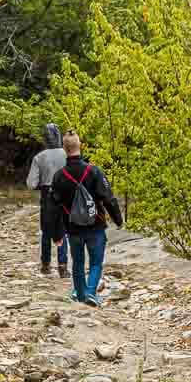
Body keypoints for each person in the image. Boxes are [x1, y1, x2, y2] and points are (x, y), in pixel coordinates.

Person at [50, 132, 123, 307]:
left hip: (72, 228)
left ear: (64, 149)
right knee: (96, 262)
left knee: (78, 262)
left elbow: (54, 207)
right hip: (95, 225)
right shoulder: (94, 171)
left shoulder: (59, 176)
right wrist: (118, 220)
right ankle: (91, 293)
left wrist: (56, 233)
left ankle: (80, 294)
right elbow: (108, 198)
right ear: (79, 145)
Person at [27, 123, 69, 277]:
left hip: (47, 196)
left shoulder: (39, 157)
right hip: (64, 196)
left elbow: (31, 183)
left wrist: (42, 185)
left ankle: (45, 266)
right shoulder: (66, 154)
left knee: (46, 231)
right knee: (63, 231)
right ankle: (63, 267)